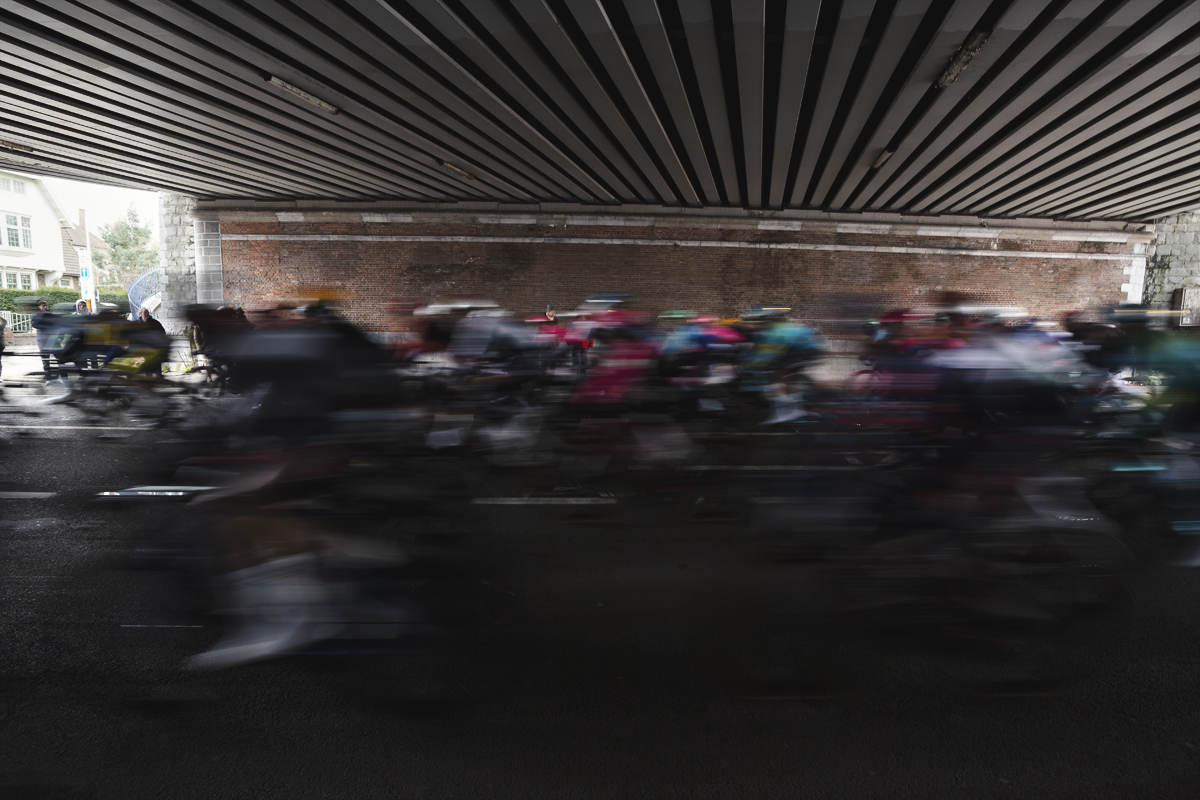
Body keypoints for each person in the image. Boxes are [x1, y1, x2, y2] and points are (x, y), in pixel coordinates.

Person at [32, 300, 61, 384]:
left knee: (59, 358)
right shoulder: (36, 315)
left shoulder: (51, 314)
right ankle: (48, 379)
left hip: (53, 338)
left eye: (46, 305)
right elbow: (35, 325)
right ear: (39, 307)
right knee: (45, 360)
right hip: (42, 339)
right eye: (43, 306)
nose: (45, 307)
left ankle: (60, 377)